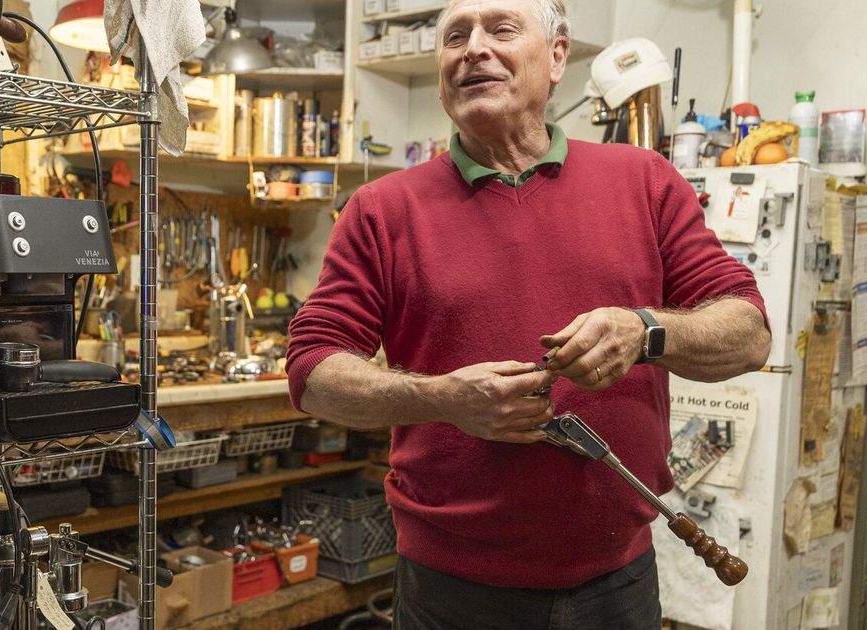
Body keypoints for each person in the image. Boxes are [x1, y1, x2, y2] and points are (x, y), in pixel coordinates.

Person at [284, 0, 771, 628]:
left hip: (617, 585)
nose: (472, 49)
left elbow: (749, 333)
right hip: (452, 592)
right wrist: (443, 398)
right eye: (455, 36)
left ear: (558, 58)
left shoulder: (645, 181)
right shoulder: (382, 210)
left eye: (501, 29)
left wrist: (645, 330)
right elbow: (310, 371)